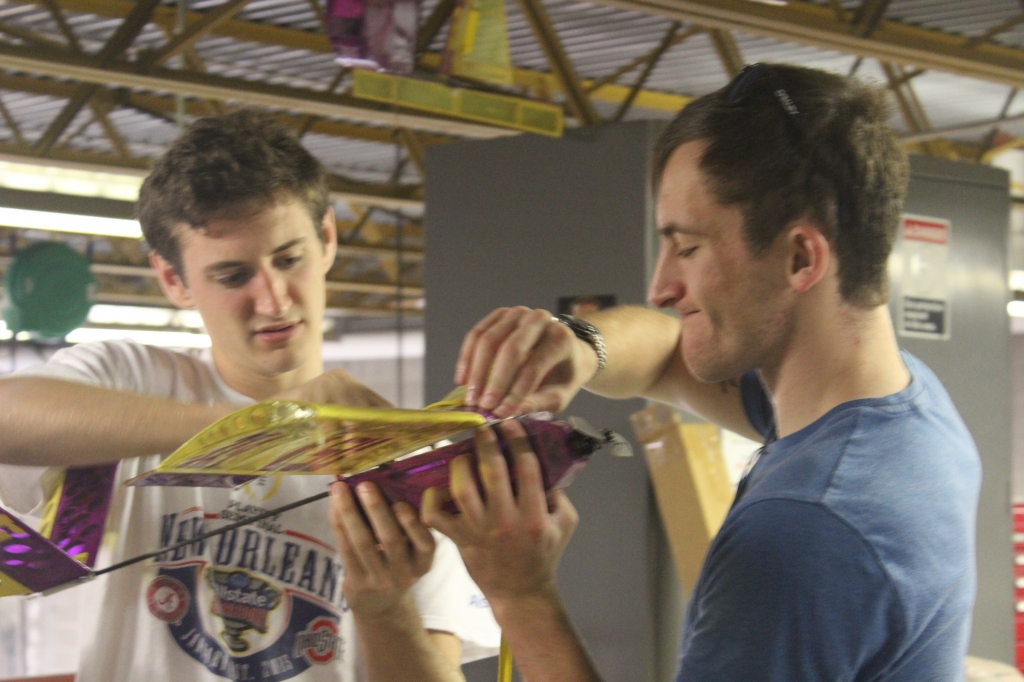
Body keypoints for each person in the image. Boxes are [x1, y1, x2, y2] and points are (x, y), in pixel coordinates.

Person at [423, 63, 981, 682]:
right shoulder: (902, 410)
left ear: (800, 257)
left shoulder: (800, 535)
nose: (661, 287)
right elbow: (667, 355)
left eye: (688, 248)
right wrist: (580, 347)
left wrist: (520, 595)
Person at [0, 110, 498, 682]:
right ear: (173, 280)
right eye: (233, 276)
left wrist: (386, 609)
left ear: (328, 238)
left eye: (289, 260)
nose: (273, 300)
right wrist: (273, 425)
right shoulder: (132, 379)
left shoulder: (403, 456)